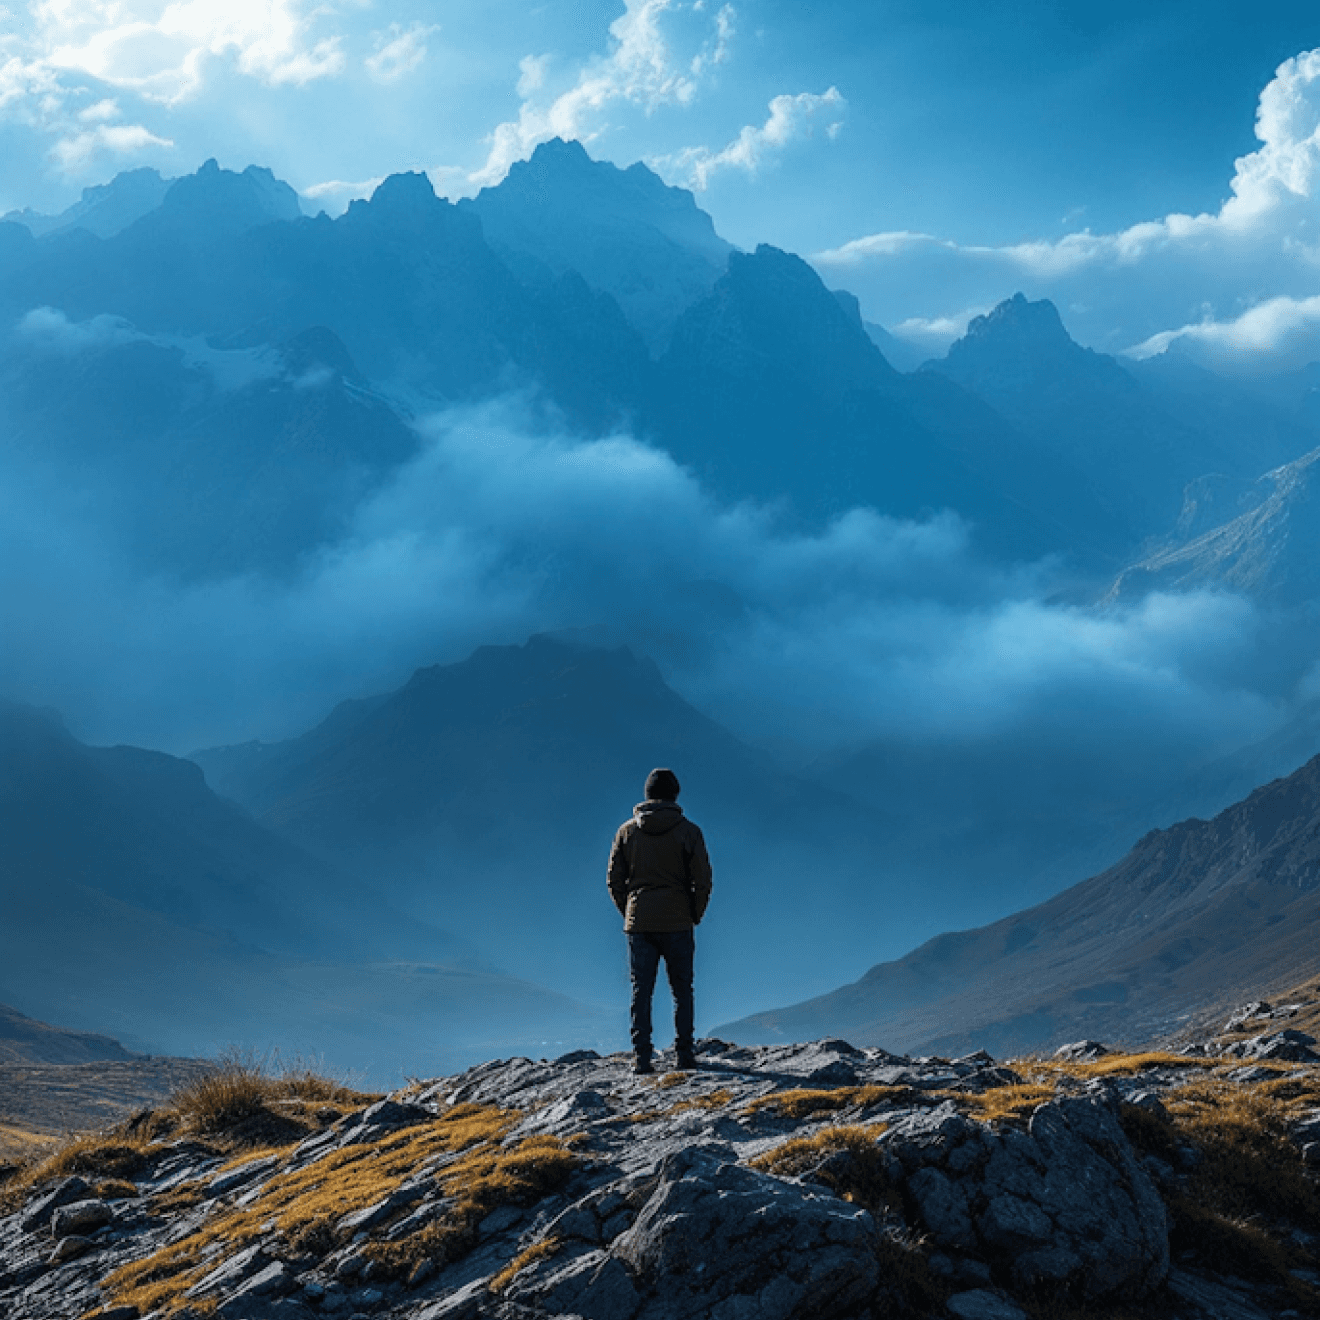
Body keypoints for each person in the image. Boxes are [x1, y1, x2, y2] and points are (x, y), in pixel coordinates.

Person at [607, 767, 713, 1075]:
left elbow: (614, 881)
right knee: (682, 989)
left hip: (639, 922)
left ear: (647, 795)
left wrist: (630, 911)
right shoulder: (689, 831)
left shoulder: (626, 832)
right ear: (675, 794)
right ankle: (684, 1055)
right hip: (678, 920)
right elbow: (703, 880)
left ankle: (642, 1058)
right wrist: (694, 913)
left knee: (641, 989)